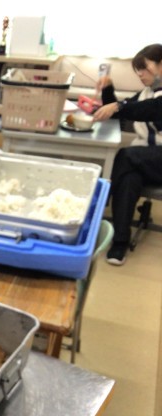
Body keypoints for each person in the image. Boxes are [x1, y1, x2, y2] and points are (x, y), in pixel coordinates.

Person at [93, 43, 162, 265]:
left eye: (145, 68)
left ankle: (98, 210)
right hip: (147, 160)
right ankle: (120, 241)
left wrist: (119, 107)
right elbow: (119, 111)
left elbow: (153, 109)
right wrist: (108, 89)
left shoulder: (155, 98)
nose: (140, 74)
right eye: (137, 70)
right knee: (129, 176)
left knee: (126, 155)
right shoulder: (146, 93)